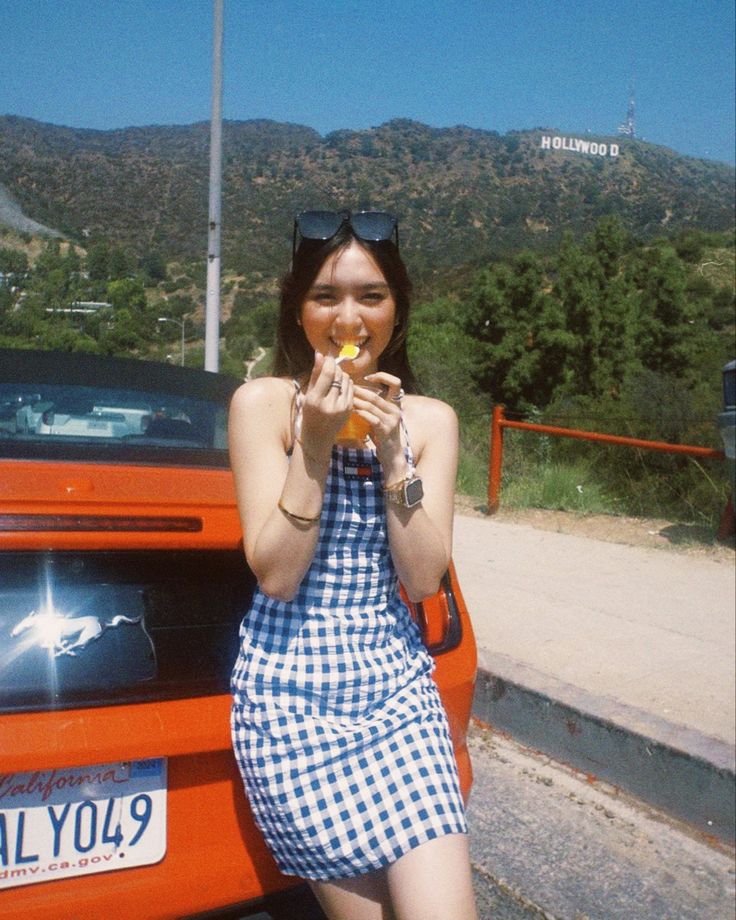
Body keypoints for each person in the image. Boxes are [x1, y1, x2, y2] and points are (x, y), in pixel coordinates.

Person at [229, 210, 478, 920]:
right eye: (324, 297)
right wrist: (313, 446)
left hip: (398, 700)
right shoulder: (263, 406)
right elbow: (276, 575)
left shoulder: (431, 421)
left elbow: (424, 579)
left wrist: (395, 456)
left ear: (396, 312)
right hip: (293, 707)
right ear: (298, 311)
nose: (348, 318)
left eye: (370, 296)